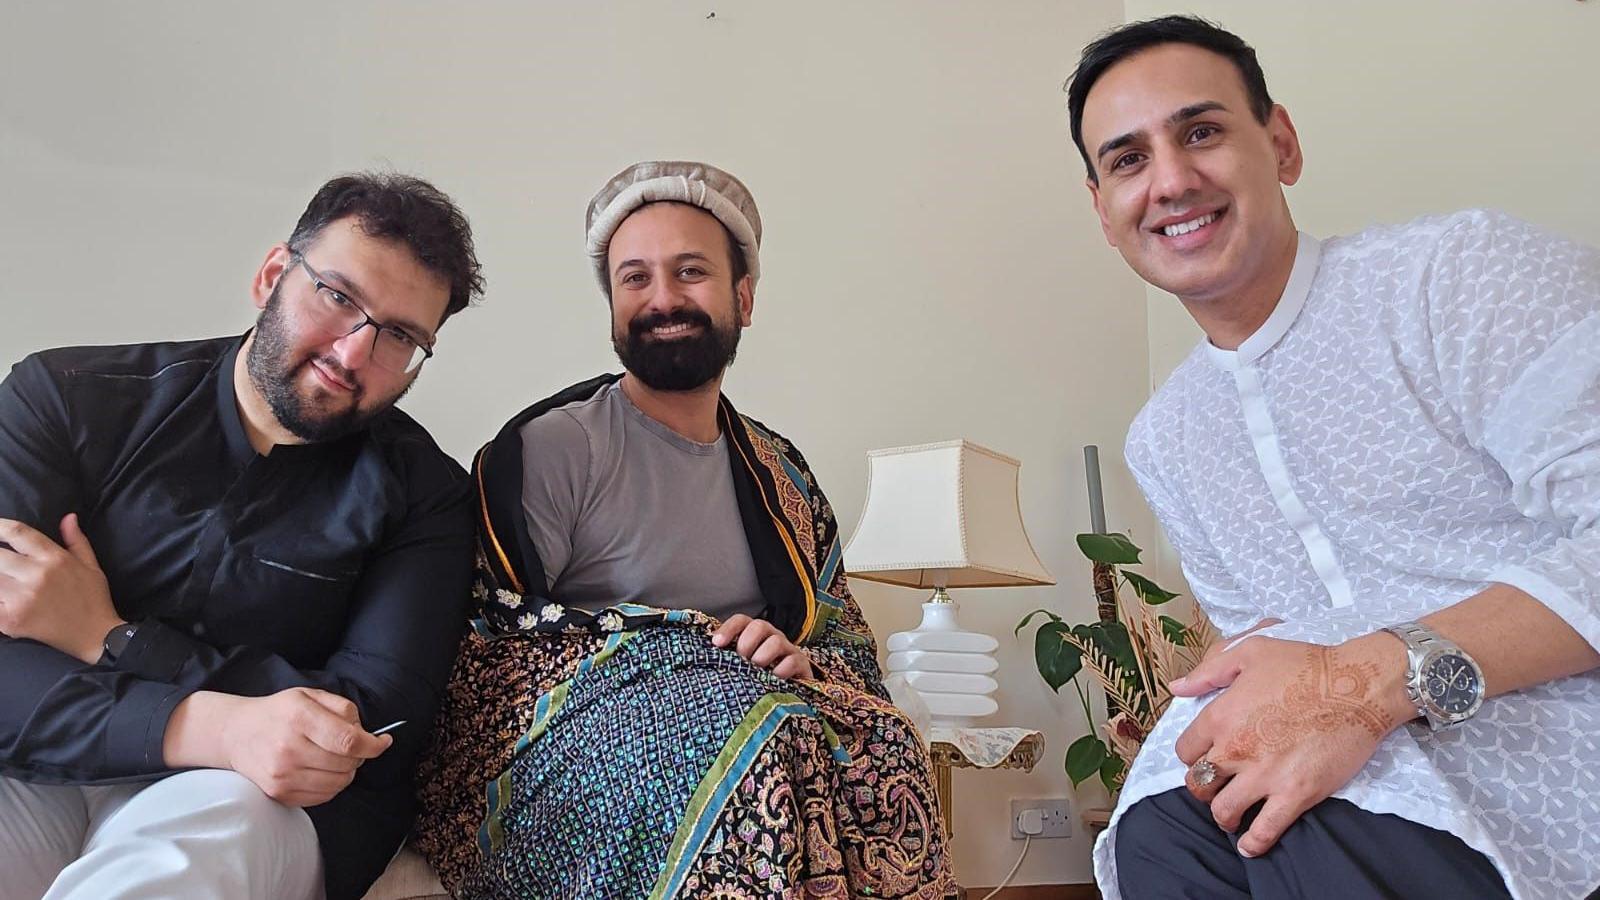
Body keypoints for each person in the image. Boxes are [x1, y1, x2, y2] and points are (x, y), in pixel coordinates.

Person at [1065, 15, 1600, 900]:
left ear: (1280, 144)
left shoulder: (1458, 276)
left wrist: (1366, 683)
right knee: (1162, 834)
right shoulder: (1164, 438)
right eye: (1127, 160)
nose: (1171, 181)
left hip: (1537, 751)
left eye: (1201, 132)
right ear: (1102, 211)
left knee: (1301, 826)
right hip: (1315, 780)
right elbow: (1256, 647)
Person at [413, 160, 956, 898]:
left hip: (770, 712)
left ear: (744, 296)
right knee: (755, 732)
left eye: (690, 271)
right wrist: (699, 661)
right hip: (576, 757)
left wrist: (797, 658)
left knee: (885, 744)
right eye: (634, 278)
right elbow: (488, 657)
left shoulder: (781, 474)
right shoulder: (550, 449)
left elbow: (845, 642)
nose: (662, 299)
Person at [0, 173, 484, 900]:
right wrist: (215, 723)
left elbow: (369, 722)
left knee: (212, 835)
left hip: (251, 799)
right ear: (271, 277)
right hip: (40, 757)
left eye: (401, 336)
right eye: (339, 297)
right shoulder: (66, 398)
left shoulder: (427, 497)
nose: (354, 354)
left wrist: (109, 636)